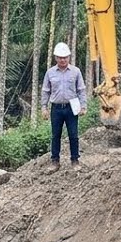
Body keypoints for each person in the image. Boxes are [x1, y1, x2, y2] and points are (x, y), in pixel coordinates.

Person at [41, 42, 89, 173]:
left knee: (73, 135)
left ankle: (75, 160)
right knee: (55, 135)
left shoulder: (75, 71)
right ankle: (55, 161)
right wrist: (44, 107)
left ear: (69, 57)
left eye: (65, 57)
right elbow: (46, 90)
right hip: (56, 108)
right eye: (60, 57)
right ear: (56, 58)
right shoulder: (50, 73)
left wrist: (83, 106)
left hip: (71, 107)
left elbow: (81, 90)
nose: (63, 60)